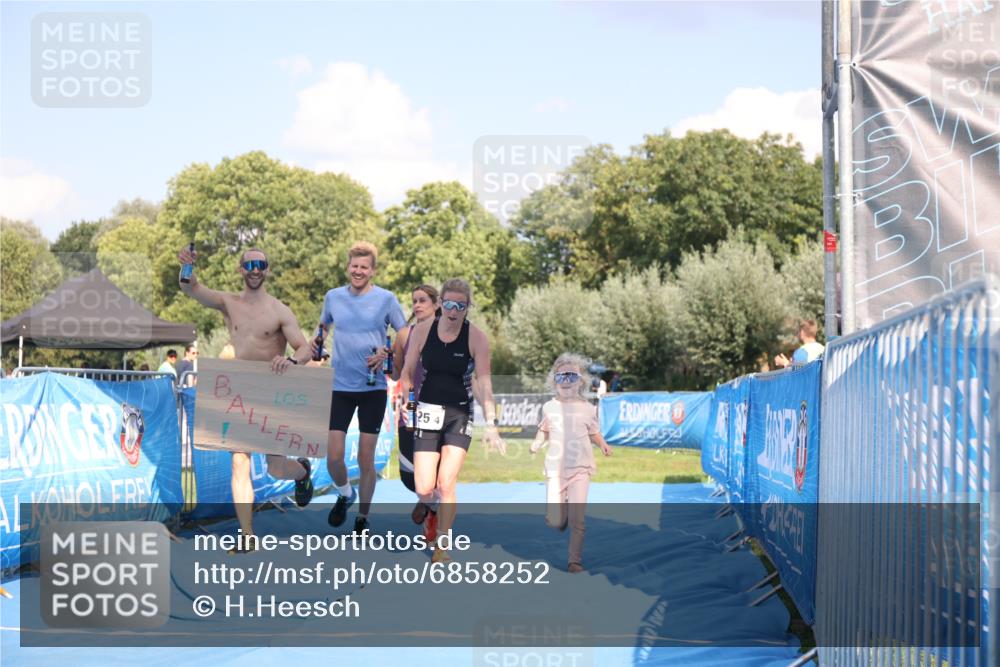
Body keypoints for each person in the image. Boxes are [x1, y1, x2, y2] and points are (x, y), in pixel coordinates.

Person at [178, 245, 315, 549]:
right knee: (239, 462)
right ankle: (247, 536)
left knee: (276, 468)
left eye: (260, 264)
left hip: (272, 390)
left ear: (267, 270)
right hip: (240, 390)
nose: (255, 268)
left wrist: (292, 362)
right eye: (249, 264)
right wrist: (186, 268)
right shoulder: (229, 303)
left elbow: (304, 349)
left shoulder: (280, 310)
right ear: (241, 269)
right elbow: (192, 289)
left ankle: (302, 471)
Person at [292, 241, 406, 534]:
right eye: (354, 266)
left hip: (373, 387)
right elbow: (320, 333)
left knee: (365, 459)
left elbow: (406, 336)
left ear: (373, 270)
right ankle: (345, 494)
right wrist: (305, 354)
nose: (358, 271)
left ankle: (363, 517)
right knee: (333, 457)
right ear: (348, 267)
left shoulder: (387, 299)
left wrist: (388, 353)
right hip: (339, 386)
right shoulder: (333, 298)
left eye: (364, 267)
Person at [398, 278, 506, 563]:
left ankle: (441, 547)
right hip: (427, 411)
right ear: (441, 304)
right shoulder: (421, 331)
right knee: (424, 487)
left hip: (460, 412)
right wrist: (407, 406)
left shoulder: (476, 338)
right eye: (449, 304)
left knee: (447, 482)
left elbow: (484, 383)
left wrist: (491, 425)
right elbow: (407, 373)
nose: (454, 311)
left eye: (461, 305)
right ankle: (432, 511)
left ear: (468, 307)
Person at [529, 353, 612, 573]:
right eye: (562, 376)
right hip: (556, 471)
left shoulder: (588, 408)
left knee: (579, 520)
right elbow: (543, 431)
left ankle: (574, 561)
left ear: (581, 381)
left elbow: (594, 431)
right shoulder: (549, 407)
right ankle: (559, 516)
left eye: (572, 376)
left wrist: (602, 444)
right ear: (554, 381)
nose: (567, 380)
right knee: (555, 522)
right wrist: (536, 444)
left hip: (581, 469)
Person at [389, 284, 441, 527]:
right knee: (409, 477)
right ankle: (427, 500)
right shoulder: (403, 335)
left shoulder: (449, 334)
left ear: (436, 304)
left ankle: (433, 513)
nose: (418, 305)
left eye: (423, 300)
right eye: (414, 301)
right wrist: (385, 360)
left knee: (437, 470)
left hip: (440, 409)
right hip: (410, 407)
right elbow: (397, 372)